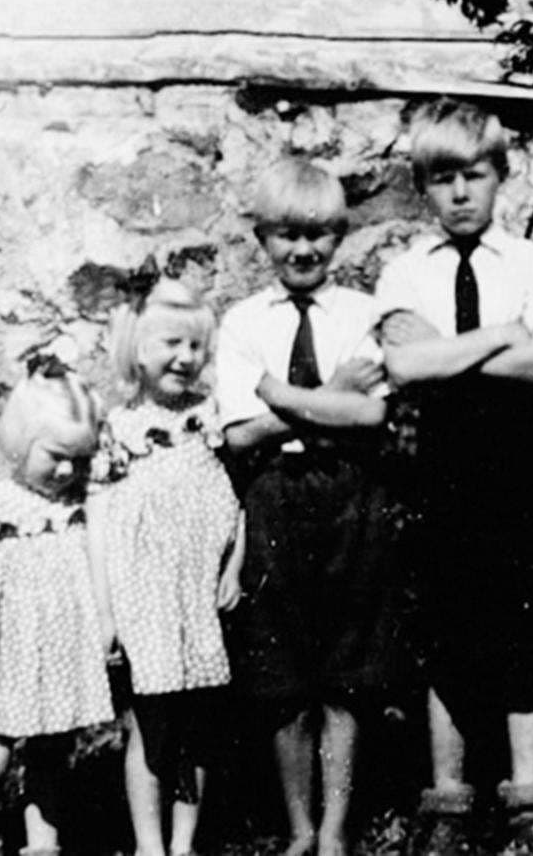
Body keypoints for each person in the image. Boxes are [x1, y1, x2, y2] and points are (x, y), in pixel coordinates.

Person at [374, 98, 533, 856]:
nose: (460, 193)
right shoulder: (405, 270)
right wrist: (501, 335)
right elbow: (404, 364)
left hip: (521, 460)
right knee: (446, 623)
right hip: (443, 465)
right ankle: (449, 803)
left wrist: (450, 354)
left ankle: (527, 802)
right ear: (424, 186)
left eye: (475, 175)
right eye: (443, 178)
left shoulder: (530, 263)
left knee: (526, 621)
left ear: (500, 176)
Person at [215, 159, 400, 856]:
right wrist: (332, 394)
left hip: (353, 493)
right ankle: (298, 826)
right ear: (262, 238)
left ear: (339, 237)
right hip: (274, 496)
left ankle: (335, 828)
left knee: (348, 668)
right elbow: (241, 435)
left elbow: (371, 416)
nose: (303, 250)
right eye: (288, 235)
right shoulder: (242, 323)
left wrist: (284, 398)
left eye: (318, 235)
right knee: (282, 673)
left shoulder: (361, 314)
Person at [0, 360, 115, 856]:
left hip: (55, 659)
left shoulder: (77, 508)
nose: (67, 471)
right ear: (20, 441)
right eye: (55, 456)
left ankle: (43, 845)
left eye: (78, 460)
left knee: (49, 759)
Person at [89, 276, 243, 856]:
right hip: (146, 596)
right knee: (151, 723)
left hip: (200, 592)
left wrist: (234, 569)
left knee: (199, 723)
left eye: (195, 346)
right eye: (171, 344)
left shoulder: (211, 416)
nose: (185, 357)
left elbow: (239, 502)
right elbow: (100, 521)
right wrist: (107, 610)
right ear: (137, 350)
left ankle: (185, 843)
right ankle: (149, 845)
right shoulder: (118, 428)